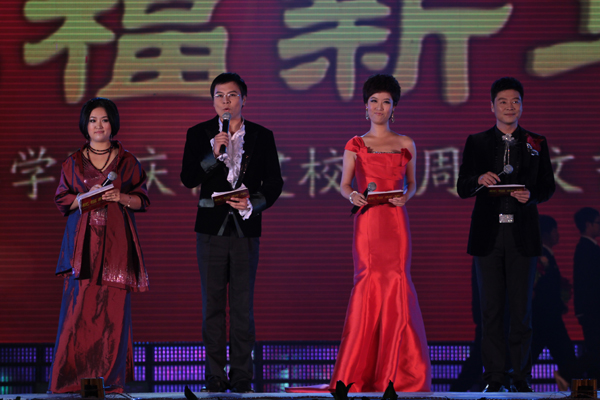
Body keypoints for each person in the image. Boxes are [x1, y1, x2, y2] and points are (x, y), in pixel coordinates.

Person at [180, 72, 283, 393]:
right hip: (210, 230)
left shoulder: (262, 136)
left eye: (233, 95)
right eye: (220, 95)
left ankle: (241, 375)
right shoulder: (199, 134)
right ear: (212, 101)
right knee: (212, 305)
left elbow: (274, 182)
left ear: (244, 99)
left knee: (242, 306)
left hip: (245, 228)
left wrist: (252, 202)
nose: (226, 101)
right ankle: (214, 375)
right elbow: (188, 178)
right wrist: (213, 154)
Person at [330, 74, 431, 392]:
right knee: (368, 283)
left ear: (394, 107)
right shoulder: (355, 144)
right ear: (365, 106)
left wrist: (407, 197)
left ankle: (398, 373)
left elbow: (412, 183)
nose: (379, 107)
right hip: (368, 221)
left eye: (386, 102)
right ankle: (357, 372)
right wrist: (352, 196)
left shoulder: (406, 143)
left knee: (398, 281)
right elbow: (345, 184)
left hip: (395, 221)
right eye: (374, 101)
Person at [457, 77, 555, 393]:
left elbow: (548, 186)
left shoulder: (536, 142)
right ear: (492, 106)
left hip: (522, 235)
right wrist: (478, 179)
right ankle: (494, 377)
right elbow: (462, 187)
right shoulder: (477, 142)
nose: (509, 107)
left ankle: (521, 377)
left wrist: (532, 195)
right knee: (491, 310)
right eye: (503, 101)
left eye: (515, 101)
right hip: (488, 236)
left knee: (521, 310)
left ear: (522, 105)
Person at [49, 97, 150, 393]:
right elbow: (62, 200)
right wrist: (83, 198)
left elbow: (142, 200)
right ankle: (70, 383)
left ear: (112, 124)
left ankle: (111, 382)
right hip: (82, 248)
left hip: (117, 247)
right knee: (77, 312)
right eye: (93, 120)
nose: (98, 126)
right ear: (85, 125)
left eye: (104, 120)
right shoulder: (72, 162)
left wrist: (121, 197)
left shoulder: (128, 162)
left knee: (113, 314)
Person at [531, 215, 578, 390]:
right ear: (547, 233)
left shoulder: (546, 256)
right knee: (568, 359)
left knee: (566, 358)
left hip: (547, 319)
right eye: (555, 230)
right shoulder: (540, 257)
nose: (558, 234)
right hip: (546, 319)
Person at [573, 207, 600, 380]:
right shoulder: (586, 248)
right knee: (595, 349)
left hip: (591, 310)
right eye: (598, 223)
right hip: (592, 310)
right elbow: (585, 282)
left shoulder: (589, 247)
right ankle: (569, 371)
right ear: (588, 224)